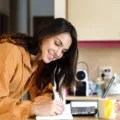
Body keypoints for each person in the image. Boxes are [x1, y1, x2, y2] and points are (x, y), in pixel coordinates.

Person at [0, 18, 78, 120]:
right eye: (57, 44)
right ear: (44, 34)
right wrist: (33, 108)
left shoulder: (39, 63)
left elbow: (44, 92)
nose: (58, 54)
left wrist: (46, 103)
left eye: (63, 51)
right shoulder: (9, 52)